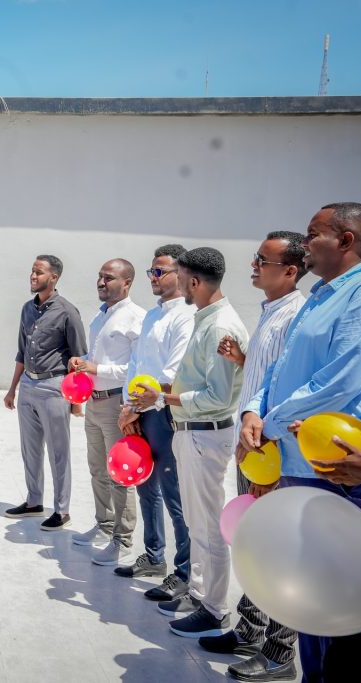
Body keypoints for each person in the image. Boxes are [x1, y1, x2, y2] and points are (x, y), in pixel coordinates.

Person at [240, 203, 361, 682]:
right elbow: (281, 367)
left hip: (334, 468)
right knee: (310, 594)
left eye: (314, 234)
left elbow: (342, 380)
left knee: (335, 605)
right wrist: (255, 408)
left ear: (346, 241)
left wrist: (270, 421)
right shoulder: (319, 295)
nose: (305, 242)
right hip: (296, 461)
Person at [198, 232, 307, 681]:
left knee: (278, 551)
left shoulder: (295, 316)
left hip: (271, 451)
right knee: (256, 546)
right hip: (253, 446)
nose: (254, 264)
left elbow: (289, 390)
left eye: (264, 259)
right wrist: (245, 361)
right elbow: (266, 378)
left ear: (290, 271)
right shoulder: (270, 313)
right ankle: (250, 629)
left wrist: (269, 450)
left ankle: (281, 653)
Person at [130, 247, 248, 639]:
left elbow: (216, 396)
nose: (175, 285)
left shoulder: (219, 326)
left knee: (210, 528)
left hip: (206, 432)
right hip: (192, 432)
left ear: (194, 281)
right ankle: (199, 596)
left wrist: (164, 398)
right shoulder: (205, 319)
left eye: (179, 278)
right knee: (199, 524)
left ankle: (214, 609)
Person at [115, 245, 195, 602]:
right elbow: (135, 365)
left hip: (164, 412)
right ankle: (153, 555)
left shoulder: (186, 316)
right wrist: (127, 406)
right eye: (151, 271)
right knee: (145, 484)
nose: (154, 278)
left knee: (174, 493)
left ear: (180, 273)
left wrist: (139, 404)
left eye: (160, 271)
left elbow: (172, 372)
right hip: (139, 410)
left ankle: (184, 571)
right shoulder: (151, 316)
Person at [68, 259, 145, 565]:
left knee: (120, 473)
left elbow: (135, 368)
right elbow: (94, 357)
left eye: (109, 278)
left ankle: (123, 540)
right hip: (94, 400)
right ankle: (104, 524)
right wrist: (82, 360)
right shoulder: (100, 317)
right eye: (99, 277)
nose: (101, 283)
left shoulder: (136, 318)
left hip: (116, 403)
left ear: (127, 283)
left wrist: (96, 367)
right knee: (97, 468)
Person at [3, 255, 87, 531]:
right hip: (28, 385)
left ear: (54, 277)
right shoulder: (27, 309)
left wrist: (76, 402)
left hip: (54, 388)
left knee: (58, 452)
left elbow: (78, 357)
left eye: (39, 272)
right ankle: (34, 501)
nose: (33, 276)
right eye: (32, 271)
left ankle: (61, 510)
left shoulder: (67, 312)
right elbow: (21, 352)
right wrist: (12, 389)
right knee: (30, 449)